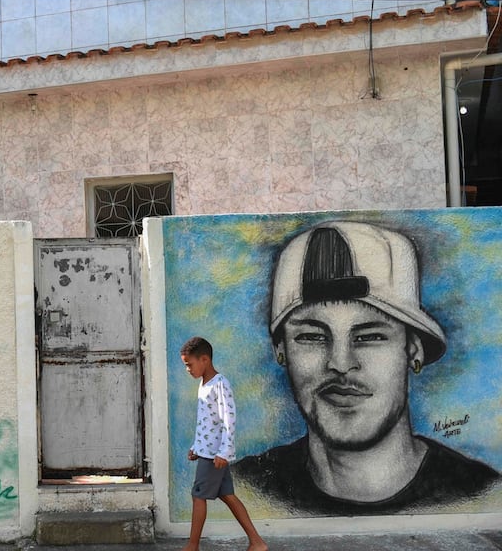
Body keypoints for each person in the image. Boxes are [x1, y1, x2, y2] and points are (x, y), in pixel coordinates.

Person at [234, 221, 500, 514]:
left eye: (370, 336)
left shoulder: (481, 496)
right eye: (311, 336)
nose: (340, 363)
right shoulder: (245, 489)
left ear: (414, 350)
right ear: (281, 350)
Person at [180, 336, 268, 551]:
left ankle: (192, 546)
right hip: (207, 452)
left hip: (214, 456)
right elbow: (206, 422)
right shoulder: (204, 385)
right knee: (228, 496)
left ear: (204, 359)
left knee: (198, 496)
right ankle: (257, 542)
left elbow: (228, 421)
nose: (188, 369)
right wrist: (195, 447)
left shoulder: (220, 384)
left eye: (189, 364)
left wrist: (224, 452)